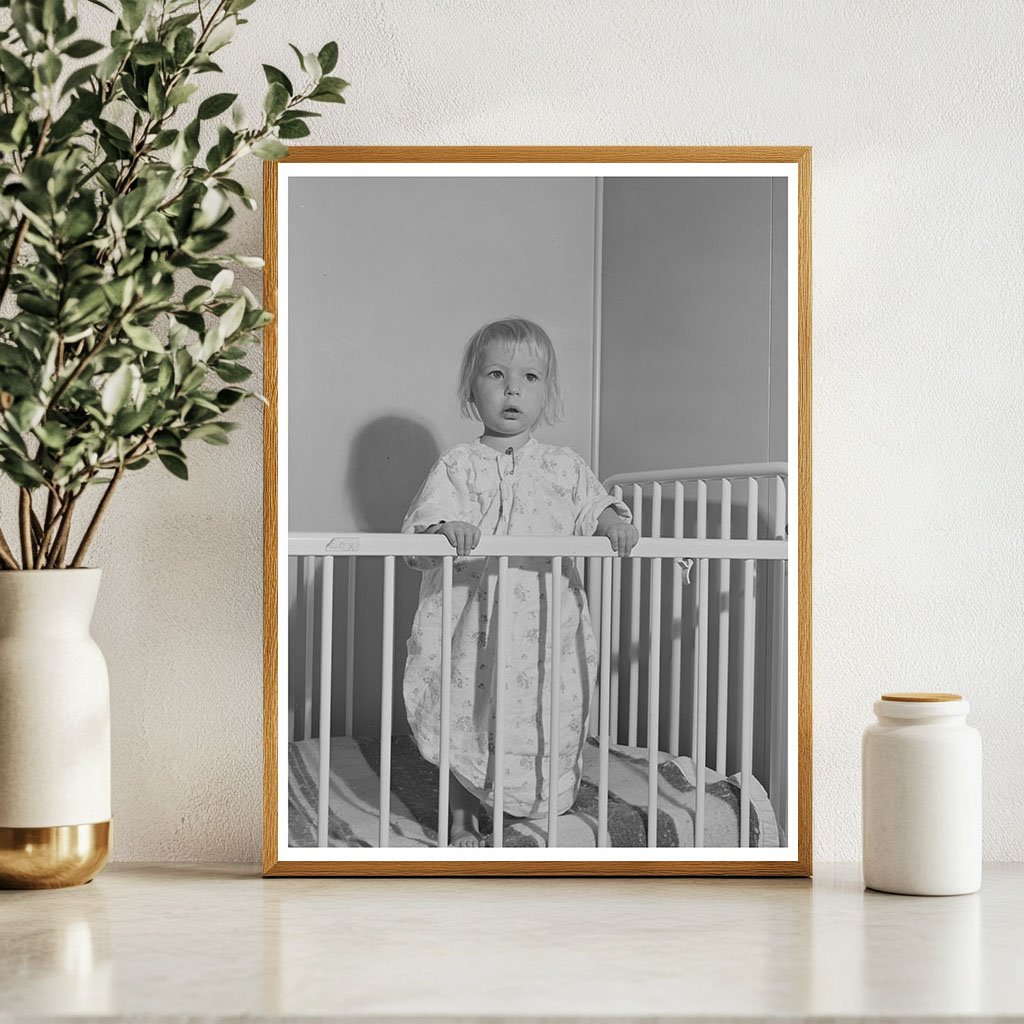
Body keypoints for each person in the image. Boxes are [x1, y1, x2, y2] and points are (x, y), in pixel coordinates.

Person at [401, 317, 639, 847]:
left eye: (530, 378)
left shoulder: (565, 467)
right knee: (467, 716)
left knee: (541, 713)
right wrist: (447, 529)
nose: (512, 389)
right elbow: (424, 529)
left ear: (546, 393)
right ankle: (462, 814)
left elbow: (594, 507)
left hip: (544, 631)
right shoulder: (458, 466)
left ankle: (525, 803)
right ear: (471, 389)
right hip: (474, 628)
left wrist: (613, 526)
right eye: (495, 374)